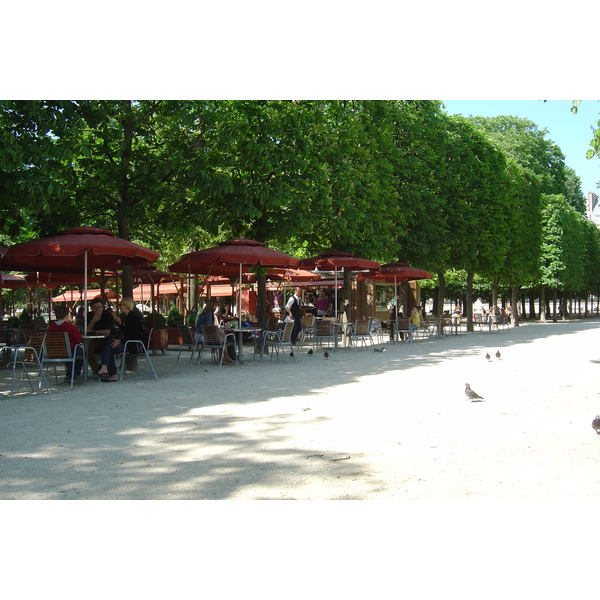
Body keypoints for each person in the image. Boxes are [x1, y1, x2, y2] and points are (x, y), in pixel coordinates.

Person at [97, 298, 146, 382]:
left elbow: (132, 335)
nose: (119, 307)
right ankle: (108, 370)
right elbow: (128, 332)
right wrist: (119, 323)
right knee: (109, 345)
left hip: (134, 345)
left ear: (126, 306)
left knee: (109, 346)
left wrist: (120, 341)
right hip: (130, 343)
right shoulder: (129, 316)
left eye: (121, 305)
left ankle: (110, 371)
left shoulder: (132, 317)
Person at [48, 305, 84, 383]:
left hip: (54, 352)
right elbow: (78, 341)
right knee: (82, 353)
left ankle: (70, 374)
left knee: (70, 353)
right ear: (66, 316)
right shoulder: (70, 327)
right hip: (69, 351)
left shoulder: (51, 327)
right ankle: (74, 374)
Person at [194, 298, 235, 364]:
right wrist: (217, 329)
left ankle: (226, 356)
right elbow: (209, 326)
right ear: (213, 305)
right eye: (216, 305)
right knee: (221, 339)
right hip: (203, 336)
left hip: (197, 335)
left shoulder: (203, 313)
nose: (216, 308)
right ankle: (222, 358)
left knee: (222, 336)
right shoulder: (209, 313)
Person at [87, 297, 116, 375]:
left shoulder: (107, 315)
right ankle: (97, 369)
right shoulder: (89, 315)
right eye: (95, 308)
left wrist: (93, 332)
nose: (97, 309)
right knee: (86, 350)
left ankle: (107, 370)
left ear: (103, 307)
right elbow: (87, 330)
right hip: (95, 341)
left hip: (107, 340)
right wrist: (93, 321)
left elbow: (107, 332)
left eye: (99, 307)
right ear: (92, 308)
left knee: (107, 348)